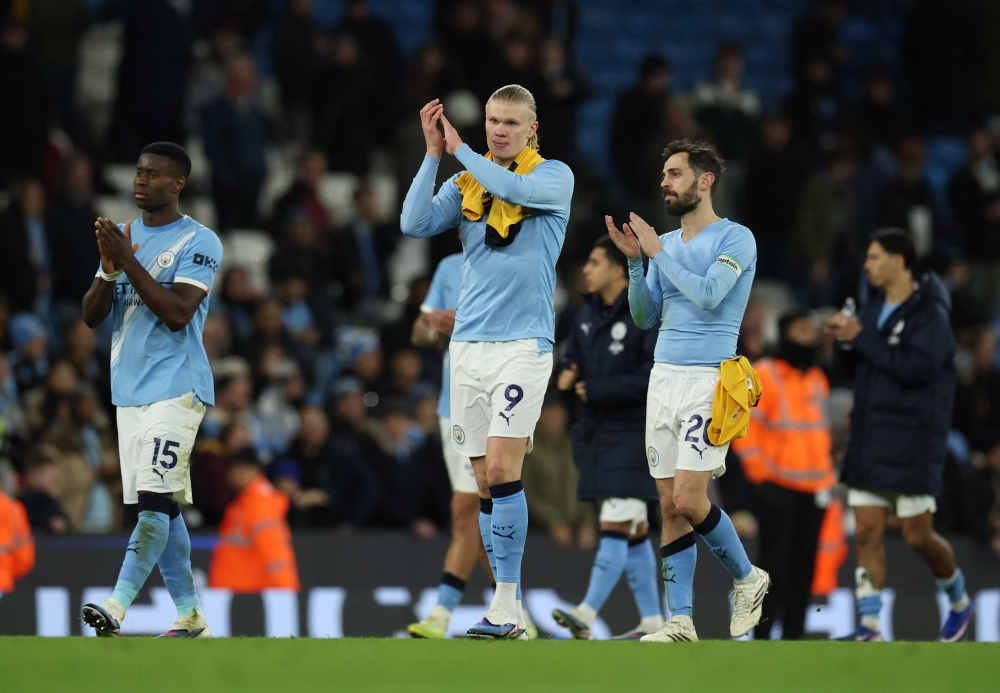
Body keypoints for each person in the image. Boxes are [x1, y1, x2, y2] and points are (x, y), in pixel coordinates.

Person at [400, 85, 574, 639]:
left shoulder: (552, 178)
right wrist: (432, 156)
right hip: (468, 350)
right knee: (482, 484)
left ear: (532, 130)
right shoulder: (466, 180)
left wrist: (461, 150)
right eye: (493, 120)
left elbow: (508, 184)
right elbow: (414, 223)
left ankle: (505, 603)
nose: (499, 129)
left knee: (502, 470)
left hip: (523, 346)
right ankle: (508, 611)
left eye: (511, 123)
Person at [605, 138, 768, 643]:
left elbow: (709, 294)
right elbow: (644, 316)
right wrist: (637, 264)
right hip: (664, 378)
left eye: (675, 174)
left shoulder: (735, 239)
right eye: (664, 176)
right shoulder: (667, 245)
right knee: (668, 504)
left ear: (705, 181)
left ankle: (748, 577)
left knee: (690, 496)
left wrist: (657, 254)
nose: (665, 183)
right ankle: (681, 620)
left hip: (710, 381)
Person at [79, 142, 224, 639]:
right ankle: (191, 614)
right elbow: (92, 316)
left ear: (177, 183)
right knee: (159, 505)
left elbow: (179, 311)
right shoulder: (123, 237)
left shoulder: (199, 241)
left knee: (154, 501)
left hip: (177, 386)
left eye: (153, 175)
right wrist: (107, 268)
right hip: (129, 390)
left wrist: (128, 262)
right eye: (138, 172)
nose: (140, 181)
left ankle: (116, 607)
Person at [827, 229, 973, 642]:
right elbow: (853, 371)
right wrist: (844, 343)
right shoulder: (874, 308)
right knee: (868, 530)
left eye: (874, 257)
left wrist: (863, 339)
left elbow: (918, 370)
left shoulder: (931, 314)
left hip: (913, 439)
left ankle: (959, 601)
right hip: (871, 438)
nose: (867, 265)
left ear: (899, 261)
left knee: (916, 534)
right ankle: (870, 624)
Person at [551, 237, 663, 640]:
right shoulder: (583, 315)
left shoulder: (644, 313)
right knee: (632, 531)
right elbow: (572, 361)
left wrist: (593, 388)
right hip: (597, 433)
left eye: (595, 262)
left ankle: (586, 611)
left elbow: (652, 375)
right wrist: (566, 373)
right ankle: (652, 618)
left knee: (615, 522)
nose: (586, 269)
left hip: (634, 433)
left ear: (619, 270)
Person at [731, 311, 837, 640]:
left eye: (811, 329)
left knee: (805, 569)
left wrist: (826, 479)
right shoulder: (765, 373)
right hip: (777, 486)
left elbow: (819, 432)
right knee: (774, 566)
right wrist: (760, 477)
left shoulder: (817, 377)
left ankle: (794, 638)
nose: (810, 336)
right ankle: (762, 637)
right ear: (785, 334)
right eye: (802, 329)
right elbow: (745, 430)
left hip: (814, 488)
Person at [405, 252, 481, 638]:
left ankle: (442, 612)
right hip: (454, 405)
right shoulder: (448, 267)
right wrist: (432, 327)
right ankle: (514, 609)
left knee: (475, 506)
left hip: (499, 399)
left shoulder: (515, 257)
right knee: (474, 510)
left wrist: (465, 322)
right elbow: (419, 331)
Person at [208, 452, 300, 593]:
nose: (229, 477)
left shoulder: (260, 505)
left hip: (249, 594)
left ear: (247, 470)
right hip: (239, 592)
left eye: (233, 471)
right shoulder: (246, 503)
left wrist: (286, 595)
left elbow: (275, 552)